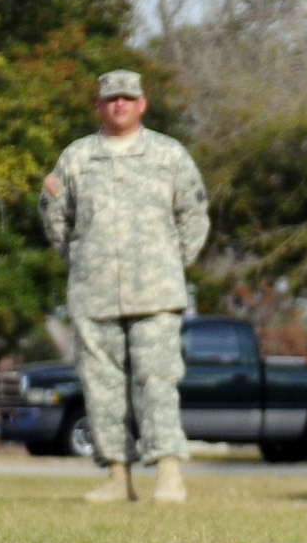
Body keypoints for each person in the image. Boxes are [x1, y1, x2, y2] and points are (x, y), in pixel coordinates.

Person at [38, 69, 210, 505]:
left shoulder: (169, 155)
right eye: (111, 98)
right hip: (93, 294)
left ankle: (168, 474)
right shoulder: (76, 158)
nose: (119, 104)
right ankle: (117, 476)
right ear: (99, 105)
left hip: (156, 293)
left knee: (157, 381)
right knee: (101, 385)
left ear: (142, 104)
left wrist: (171, 263)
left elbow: (194, 215)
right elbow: (54, 218)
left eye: (127, 98)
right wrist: (81, 260)